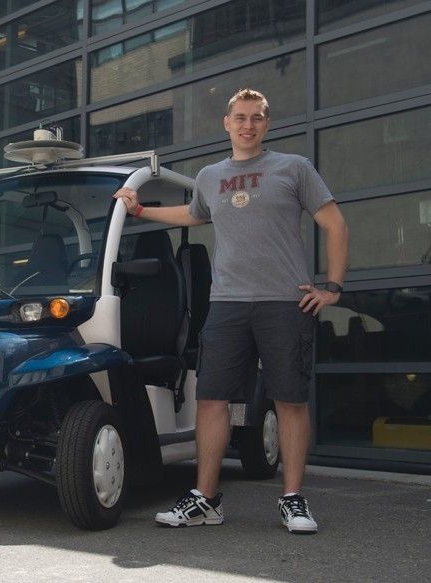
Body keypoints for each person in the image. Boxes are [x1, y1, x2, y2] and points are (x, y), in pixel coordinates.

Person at [113, 88, 349, 534]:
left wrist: (332, 287)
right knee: (211, 399)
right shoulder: (209, 176)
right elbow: (193, 214)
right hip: (227, 304)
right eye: (240, 117)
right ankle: (206, 499)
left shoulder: (293, 168)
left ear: (267, 123)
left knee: (290, 401)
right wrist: (140, 209)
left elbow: (334, 222)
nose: (247, 124)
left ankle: (293, 498)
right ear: (227, 123)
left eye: (256, 118)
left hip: (285, 301)